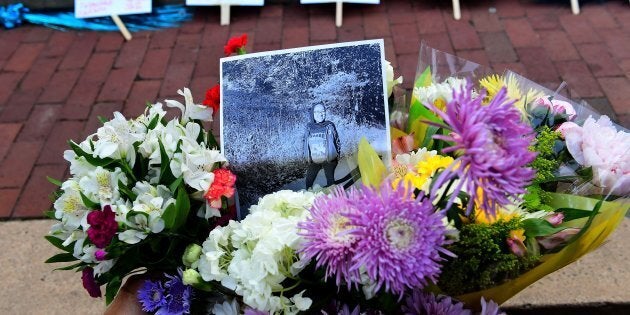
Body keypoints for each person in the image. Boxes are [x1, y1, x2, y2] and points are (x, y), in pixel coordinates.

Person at [304, 103, 341, 189]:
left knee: (330, 180)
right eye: (317, 112)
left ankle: (333, 198)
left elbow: (337, 141)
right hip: (314, 160)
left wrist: (336, 156)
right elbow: (305, 143)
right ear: (312, 113)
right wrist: (306, 158)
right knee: (309, 181)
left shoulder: (329, 125)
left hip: (328, 160)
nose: (320, 114)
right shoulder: (309, 127)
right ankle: (309, 198)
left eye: (323, 111)